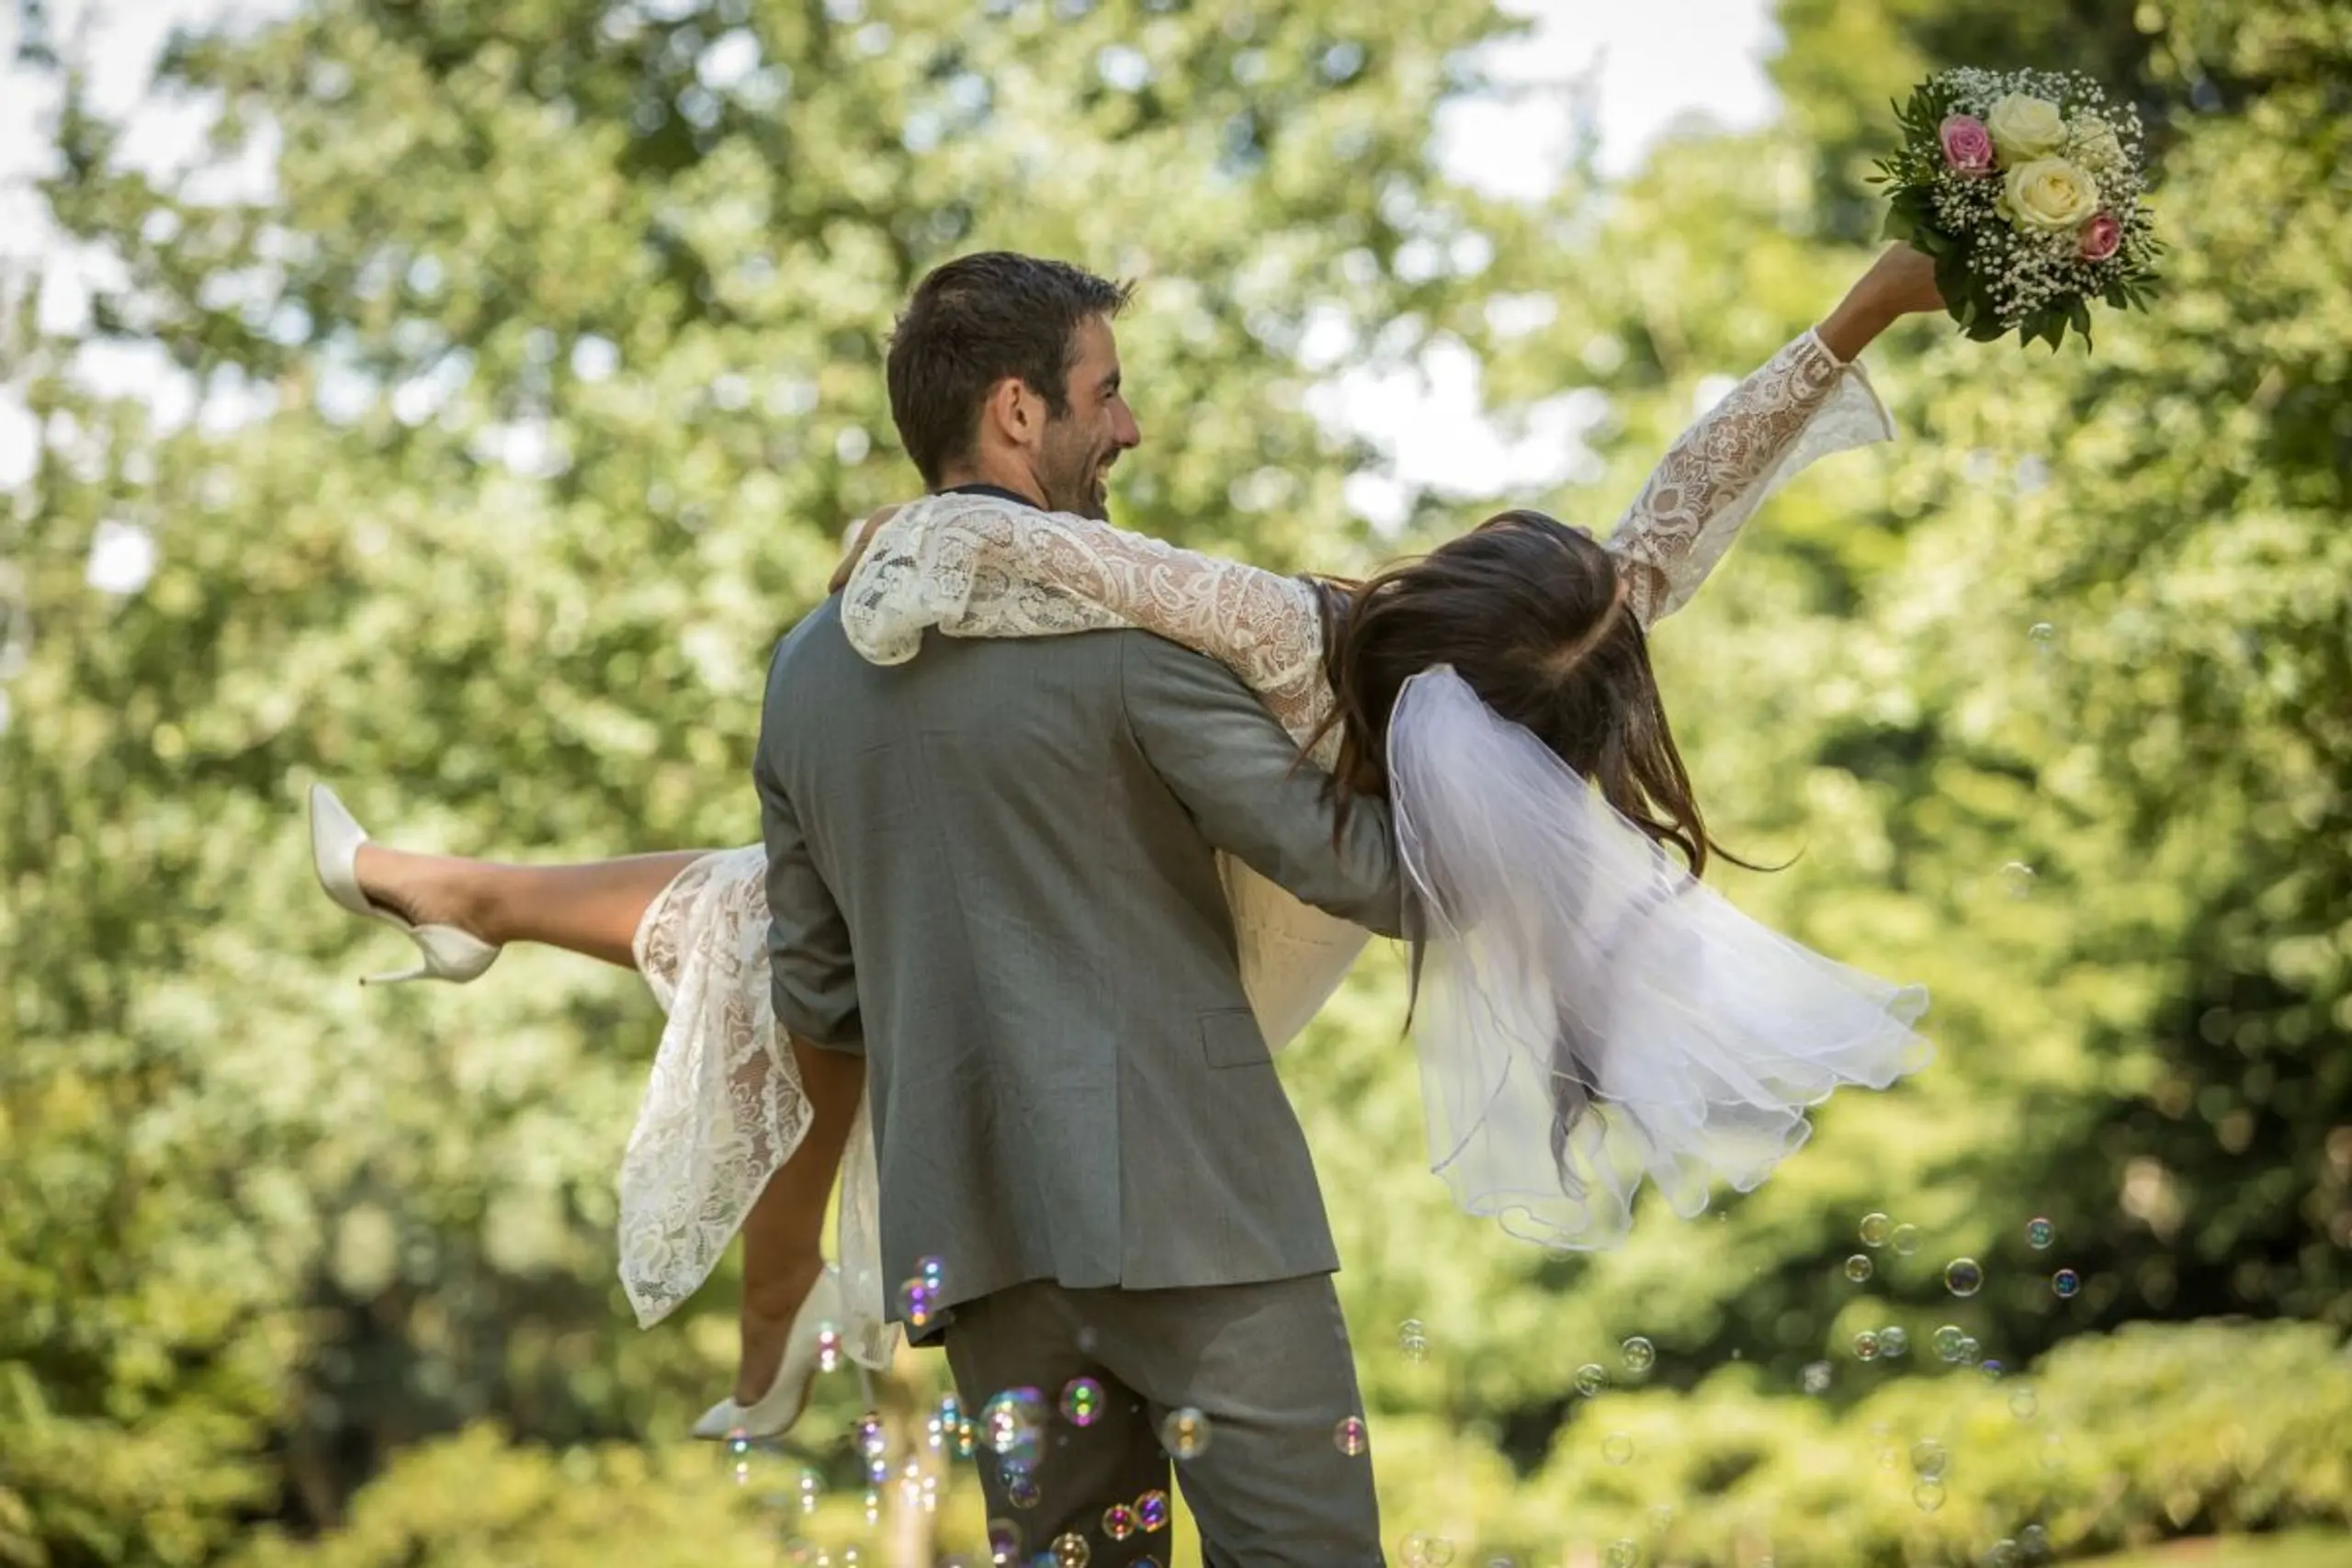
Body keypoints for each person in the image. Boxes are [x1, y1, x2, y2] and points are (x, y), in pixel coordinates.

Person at [309, 243, 1945, 1455]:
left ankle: (546, 998)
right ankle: (467, 904)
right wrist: (1856, 317)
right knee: (776, 902)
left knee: (788, 924)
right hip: (1197, 956)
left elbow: (1134, 578)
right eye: (1111, 393)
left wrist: (925, 529)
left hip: (1178, 959)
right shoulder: (1567, 656)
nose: (1135, 425)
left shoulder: (1305, 635)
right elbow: (1672, 523)